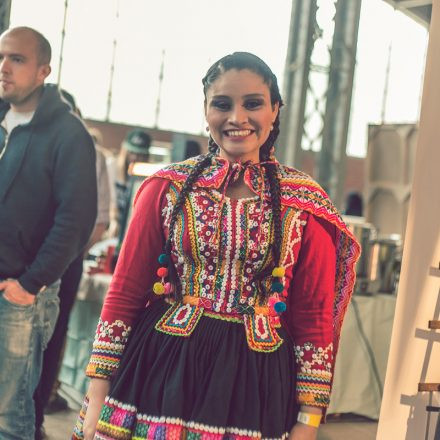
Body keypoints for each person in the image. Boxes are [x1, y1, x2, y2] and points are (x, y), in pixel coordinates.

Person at [73, 52, 360, 440]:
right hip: (163, 368)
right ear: (206, 111)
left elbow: (313, 316)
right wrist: (98, 387)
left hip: (255, 383)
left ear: (276, 110)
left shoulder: (305, 202)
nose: (237, 118)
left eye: (253, 104)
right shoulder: (167, 187)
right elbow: (126, 289)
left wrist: (308, 420)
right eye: (222, 104)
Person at [0, 26, 97, 439]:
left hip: (21, 297)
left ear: (43, 70)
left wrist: (30, 282)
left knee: (10, 416)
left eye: (16, 59)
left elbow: (76, 220)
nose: (4, 67)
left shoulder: (67, 135)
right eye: (1, 57)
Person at [33, 93, 110, 439]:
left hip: (65, 262)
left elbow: (98, 222)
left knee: (51, 339)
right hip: (20, 261)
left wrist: (63, 255)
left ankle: (34, 417)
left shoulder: (90, 153)